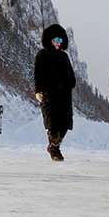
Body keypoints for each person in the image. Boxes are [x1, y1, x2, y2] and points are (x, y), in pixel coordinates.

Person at [34, 23, 76, 161]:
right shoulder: (42, 54)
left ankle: (54, 146)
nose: (58, 43)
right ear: (50, 40)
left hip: (64, 96)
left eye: (60, 40)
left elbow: (71, 73)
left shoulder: (64, 56)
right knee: (53, 124)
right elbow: (38, 74)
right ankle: (54, 148)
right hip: (50, 95)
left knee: (64, 126)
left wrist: (72, 82)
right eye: (56, 40)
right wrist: (38, 90)